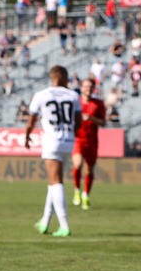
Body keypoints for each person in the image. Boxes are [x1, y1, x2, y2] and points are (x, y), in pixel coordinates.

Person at [24, 65, 82, 237]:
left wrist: (27, 136)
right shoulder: (73, 95)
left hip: (52, 141)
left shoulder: (41, 95)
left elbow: (31, 120)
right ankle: (45, 221)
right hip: (68, 141)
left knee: (56, 182)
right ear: (62, 76)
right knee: (54, 180)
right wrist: (71, 133)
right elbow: (78, 122)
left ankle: (64, 225)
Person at [71, 77, 106, 210]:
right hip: (78, 138)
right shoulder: (76, 102)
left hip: (92, 140)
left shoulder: (98, 104)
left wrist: (91, 118)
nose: (88, 89)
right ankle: (77, 190)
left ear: (93, 88)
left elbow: (103, 122)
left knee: (89, 170)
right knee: (77, 164)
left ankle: (86, 194)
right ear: (81, 88)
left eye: (90, 86)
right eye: (86, 86)